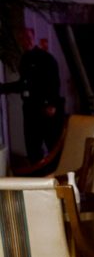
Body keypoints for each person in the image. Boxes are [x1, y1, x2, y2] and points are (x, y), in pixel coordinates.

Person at [17, 28, 63, 163]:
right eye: (23, 38)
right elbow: (24, 83)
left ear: (34, 38)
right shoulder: (24, 59)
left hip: (45, 108)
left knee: (52, 144)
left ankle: (56, 172)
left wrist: (51, 104)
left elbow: (54, 82)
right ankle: (37, 172)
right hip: (30, 108)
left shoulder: (45, 58)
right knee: (32, 146)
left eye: (28, 37)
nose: (26, 41)